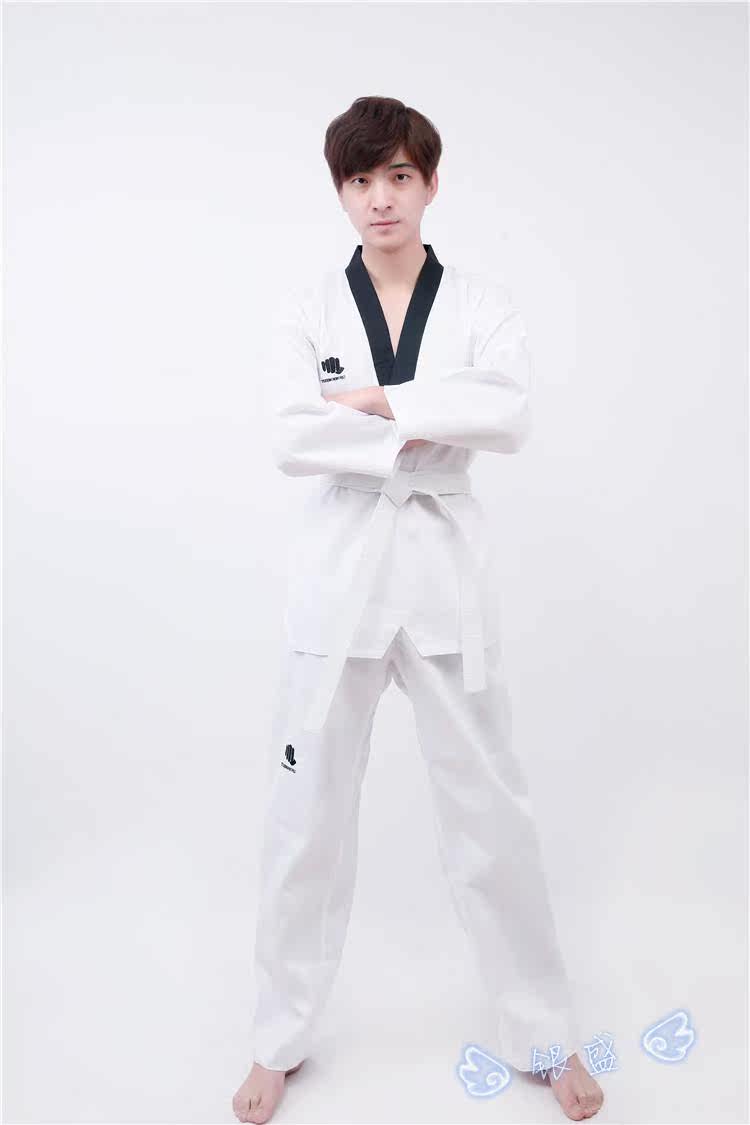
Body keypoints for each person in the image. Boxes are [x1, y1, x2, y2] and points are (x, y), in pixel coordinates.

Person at [232, 95, 604, 1124]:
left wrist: (378, 401)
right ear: (341, 192)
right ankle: (279, 1038)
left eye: (399, 175)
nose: (380, 197)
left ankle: (544, 1035)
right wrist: (436, 415)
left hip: (442, 577)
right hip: (339, 578)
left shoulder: (481, 305)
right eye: (360, 179)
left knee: (493, 816)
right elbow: (290, 435)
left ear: (430, 182)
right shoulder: (309, 308)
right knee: (306, 819)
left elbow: (509, 412)